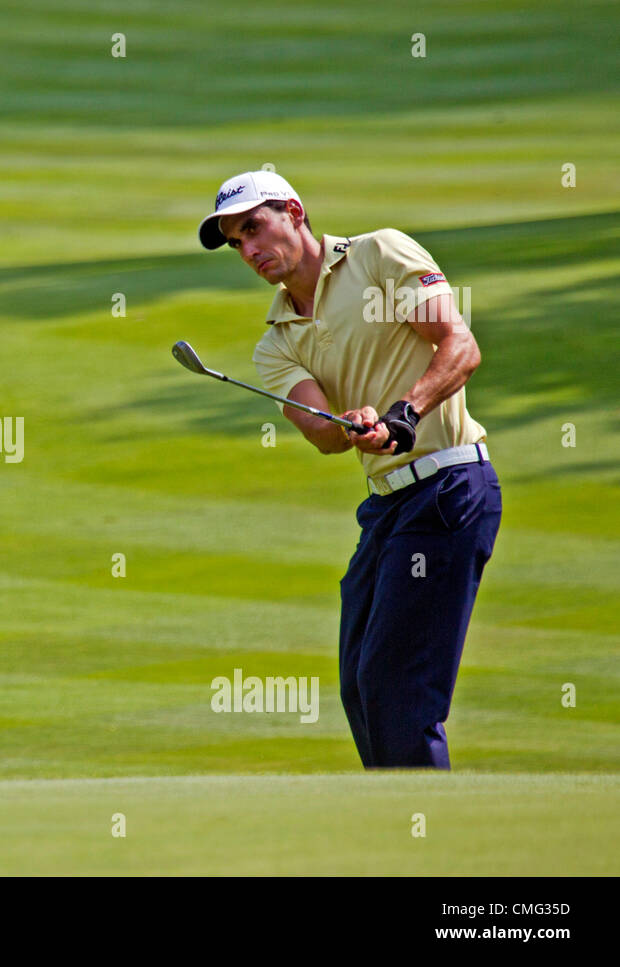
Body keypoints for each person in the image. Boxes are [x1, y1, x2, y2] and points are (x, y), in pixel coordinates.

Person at [197, 170, 501, 769]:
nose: (250, 250)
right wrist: (349, 422)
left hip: (449, 487)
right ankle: (399, 826)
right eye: (236, 242)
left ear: (294, 211)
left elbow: (459, 346)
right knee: (362, 686)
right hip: (389, 505)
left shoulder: (378, 254)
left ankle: (425, 838)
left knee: (397, 687)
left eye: (255, 227)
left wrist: (402, 415)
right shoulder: (276, 343)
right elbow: (323, 434)